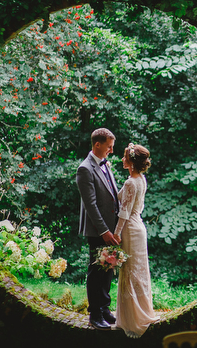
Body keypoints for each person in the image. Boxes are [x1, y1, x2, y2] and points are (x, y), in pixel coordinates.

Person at [112, 143, 159, 338]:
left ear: (131, 161)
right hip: (139, 227)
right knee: (138, 271)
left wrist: (116, 233)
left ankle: (132, 319)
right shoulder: (141, 179)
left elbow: (124, 212)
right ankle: (141, 311)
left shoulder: (131, 183)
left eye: (124, 157)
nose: (122, 160)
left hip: (130, 228)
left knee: (130, 271)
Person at [76, 128, 120, 330]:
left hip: (112, 228)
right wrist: (104, 231)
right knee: (96, 271)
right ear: (97, 145)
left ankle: (104, 309)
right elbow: (91, 205)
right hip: (98, 230)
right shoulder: (85, 169)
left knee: (108, 269)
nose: (111, 150)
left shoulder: (104, 164)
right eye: (109, 147)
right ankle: (95, 313)